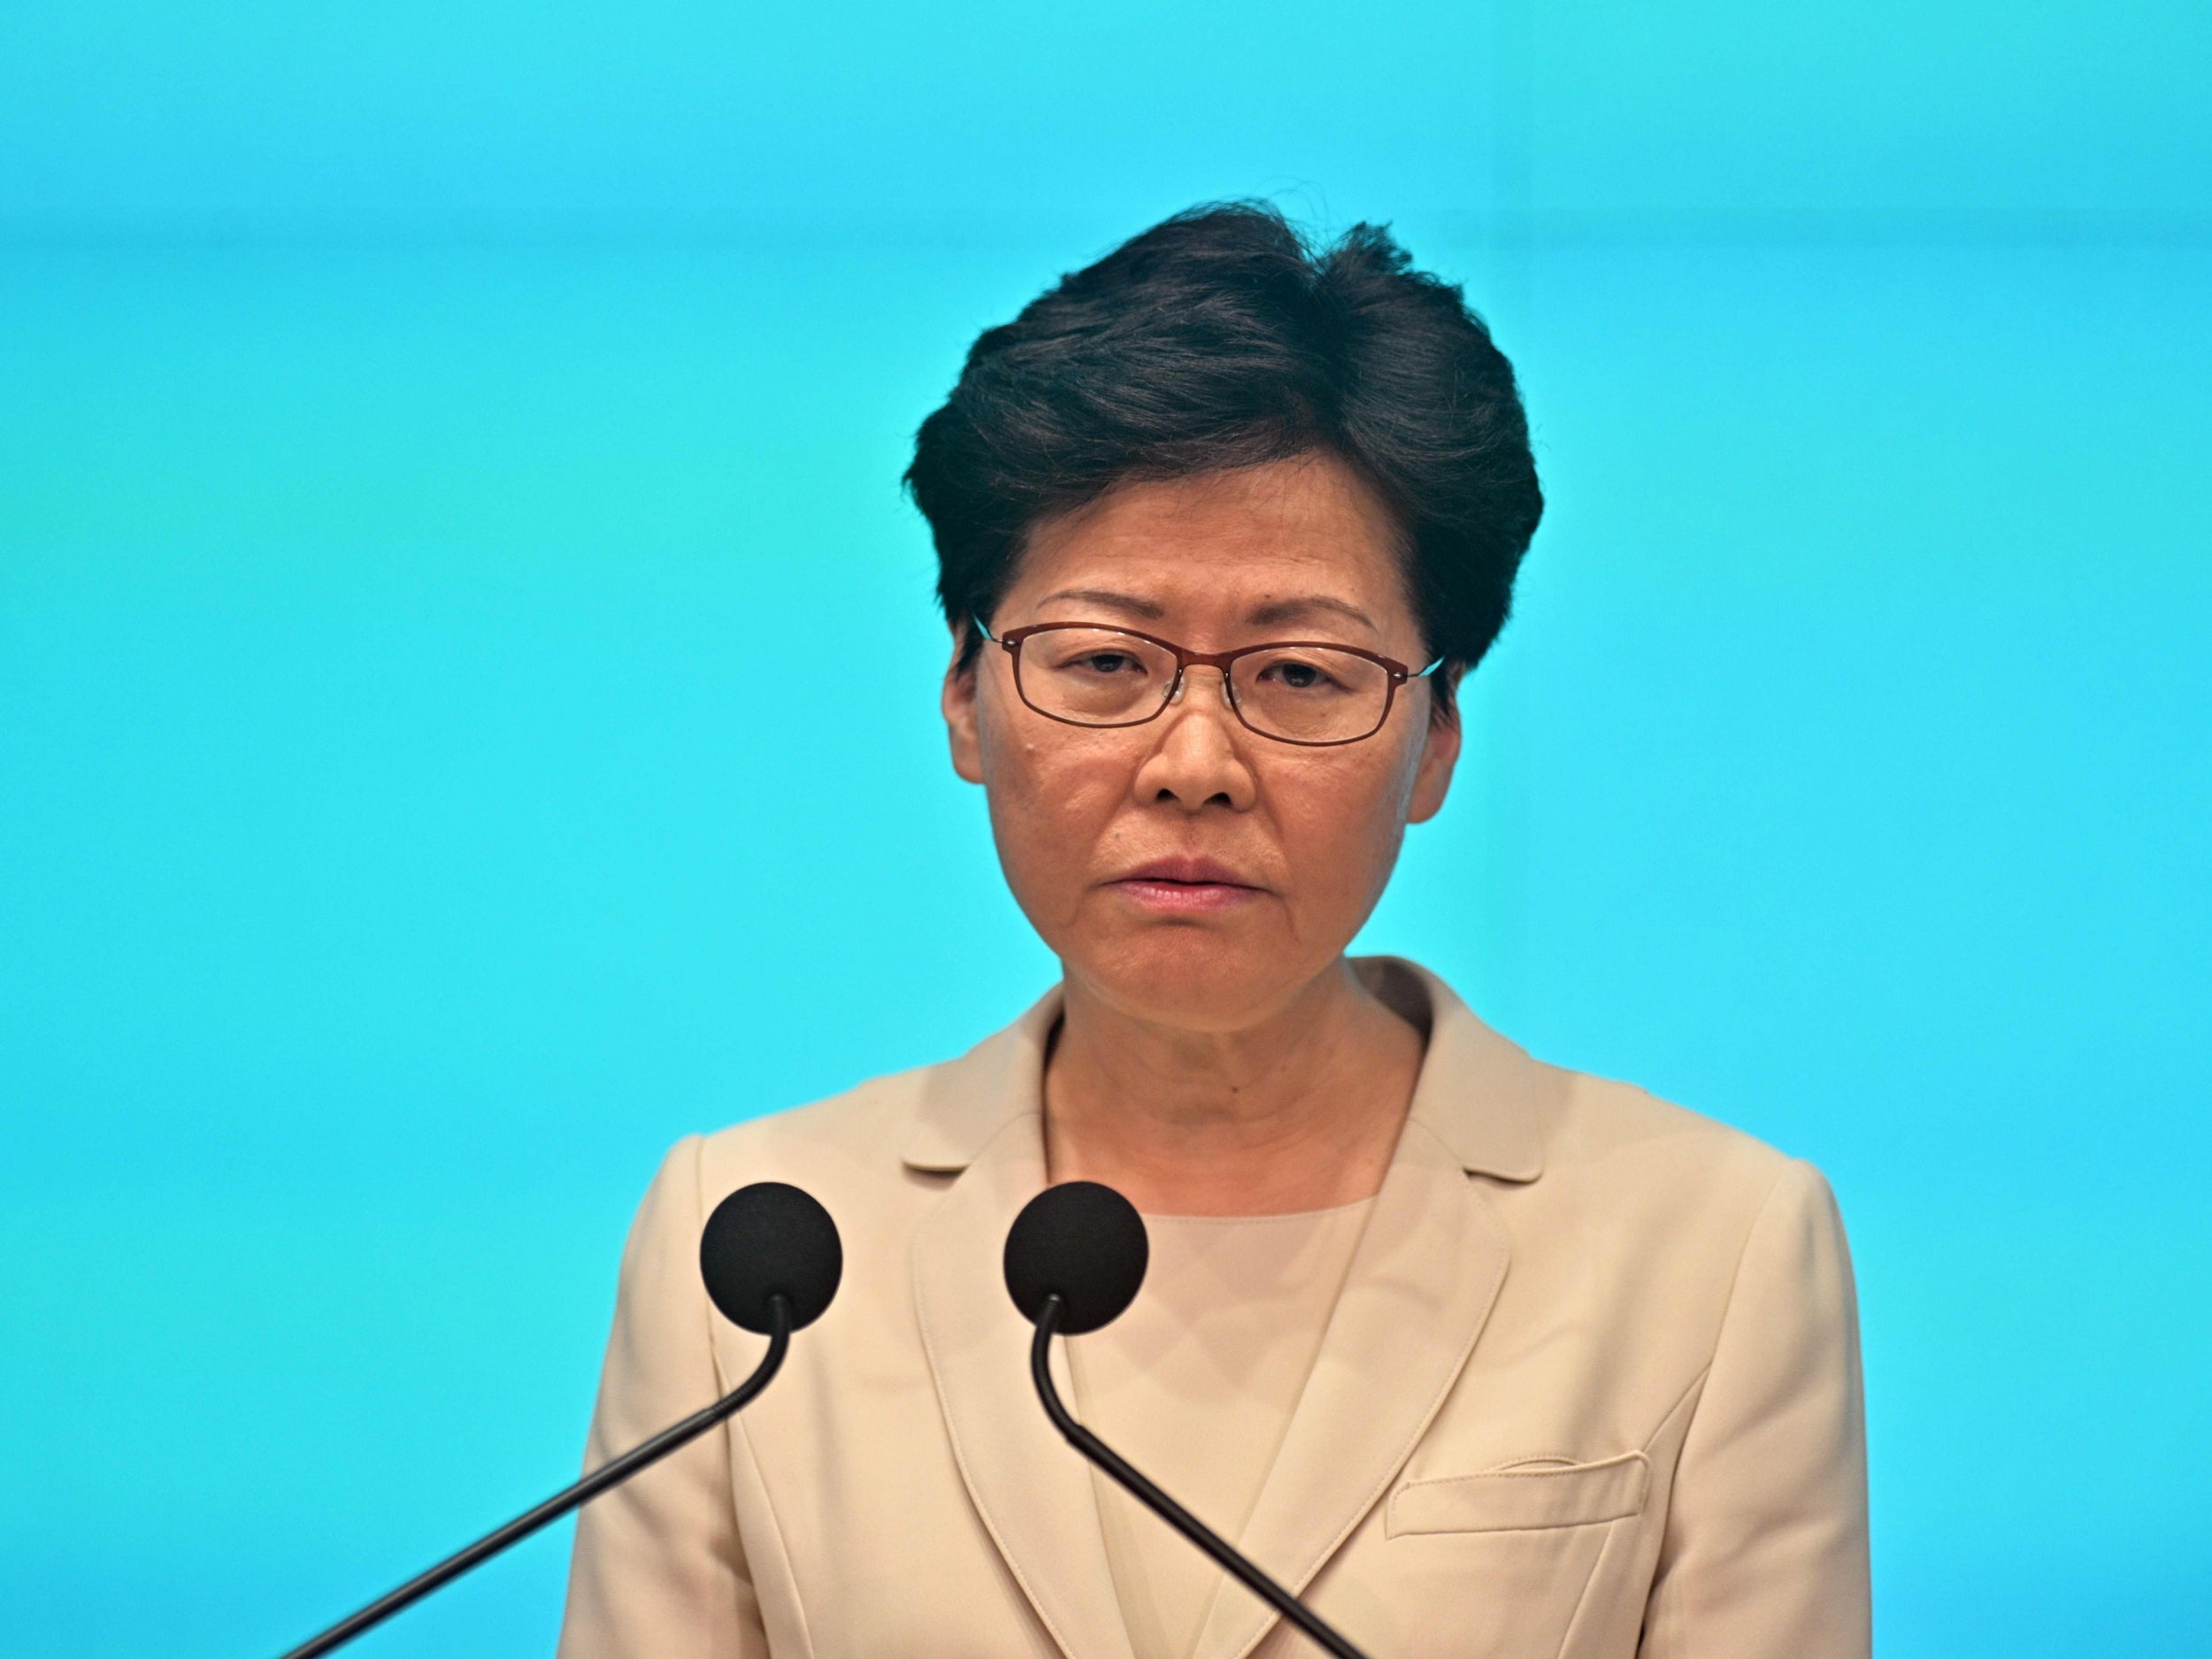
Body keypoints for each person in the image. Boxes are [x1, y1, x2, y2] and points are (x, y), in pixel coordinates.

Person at [557, 204, 1869, 1659]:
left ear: (1434, 736)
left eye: (1301, 673)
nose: (1195, 761)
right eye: (1106, 660)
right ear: (962, 700)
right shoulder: (757, 1248)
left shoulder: (1707, 1247)